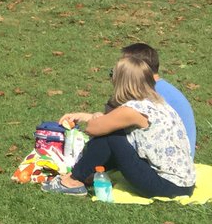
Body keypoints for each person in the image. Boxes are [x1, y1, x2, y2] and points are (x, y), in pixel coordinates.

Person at [43, 56, 195, 197]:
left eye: (112, 74)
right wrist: (93, 117)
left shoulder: (133, 109)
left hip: (166, 186)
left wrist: (97, 119)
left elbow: (93, 129)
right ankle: (88, 174)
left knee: (112, 136)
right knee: (117, 135)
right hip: (184, 184)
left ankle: (73, 179)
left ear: (121, 81)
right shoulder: (158, 103)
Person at [119, 43, 196, 156]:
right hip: (178, 155)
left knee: (113, 138)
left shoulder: (150, 93)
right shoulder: (162, 88)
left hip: (172, 157)